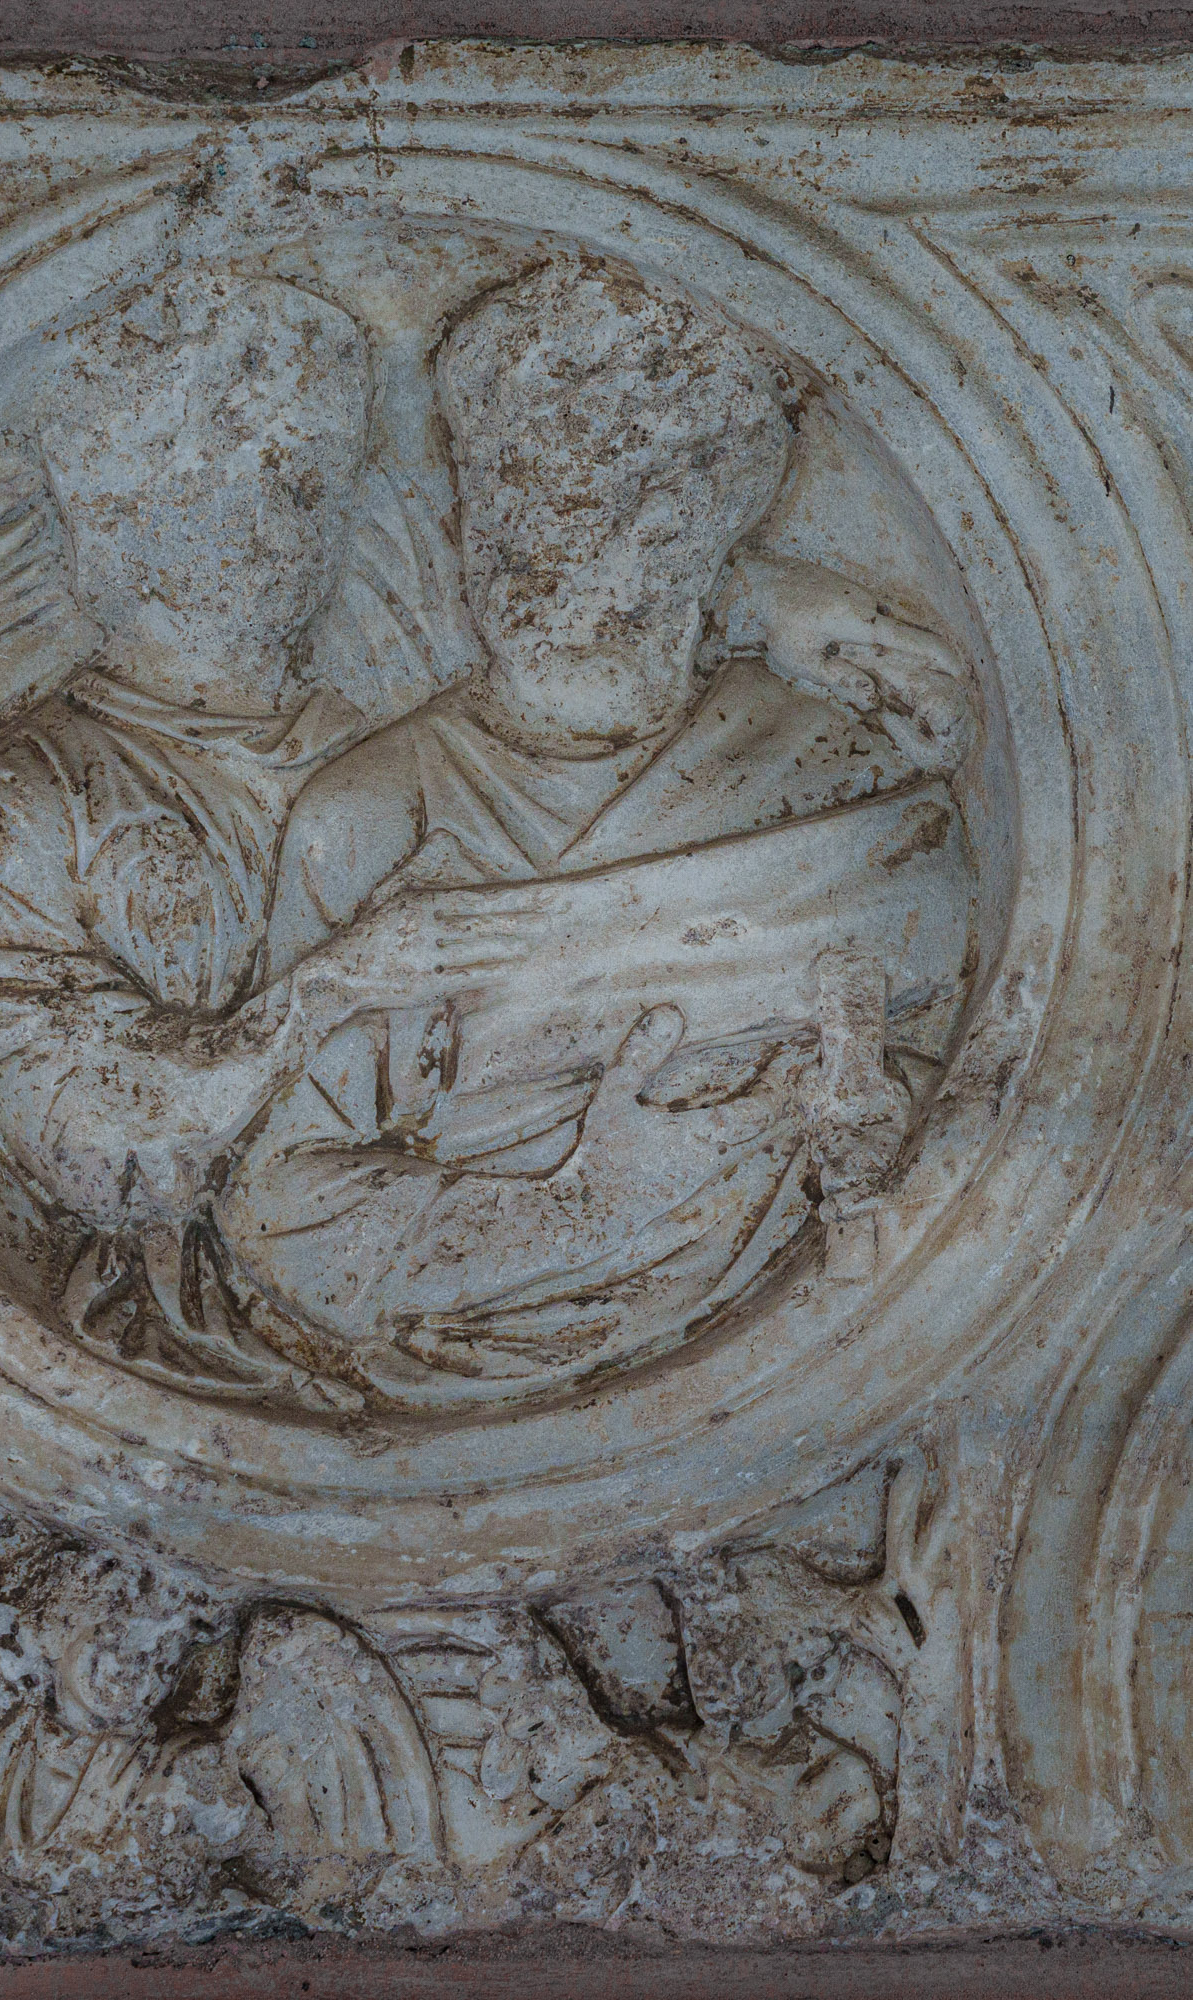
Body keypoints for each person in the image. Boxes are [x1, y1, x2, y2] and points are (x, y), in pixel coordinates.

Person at [210, 263, 980, 1399]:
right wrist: (580, 1210)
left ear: (710, 541)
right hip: (463, 1335)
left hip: (794, 1359)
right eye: (526, 506)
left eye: (638, 513)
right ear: (468, 520)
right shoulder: (371, 810)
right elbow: (277, 1209)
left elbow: (943, 1087)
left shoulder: (842, 782)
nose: (573, 557)